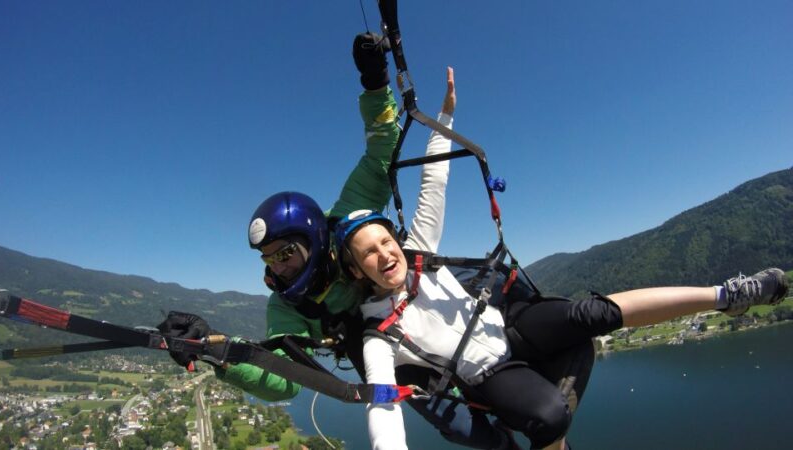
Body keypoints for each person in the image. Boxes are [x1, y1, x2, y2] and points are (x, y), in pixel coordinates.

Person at [334, 70, 790, 450]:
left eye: (386, 241)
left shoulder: (420, 251)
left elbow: (434, 181)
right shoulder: (378, 334)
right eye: (369, 253)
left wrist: (445, 116)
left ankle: (730, 295)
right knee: (550, 418)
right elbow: (383, 403)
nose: (385, 254)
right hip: (490, 374)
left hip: (511, 324)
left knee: (593, 313)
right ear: (355, 269)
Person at [157, 34, 515, 449]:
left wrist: (375, 83)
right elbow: (284, 377)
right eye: (269, 260)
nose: (277, 268)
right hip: (383, 346)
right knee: (462, 426)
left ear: (314, 240)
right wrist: (219, 351)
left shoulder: (347, 216)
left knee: (504, 340)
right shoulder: (288, 305)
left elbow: (382, 149)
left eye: (285, 254)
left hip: (418, 296)